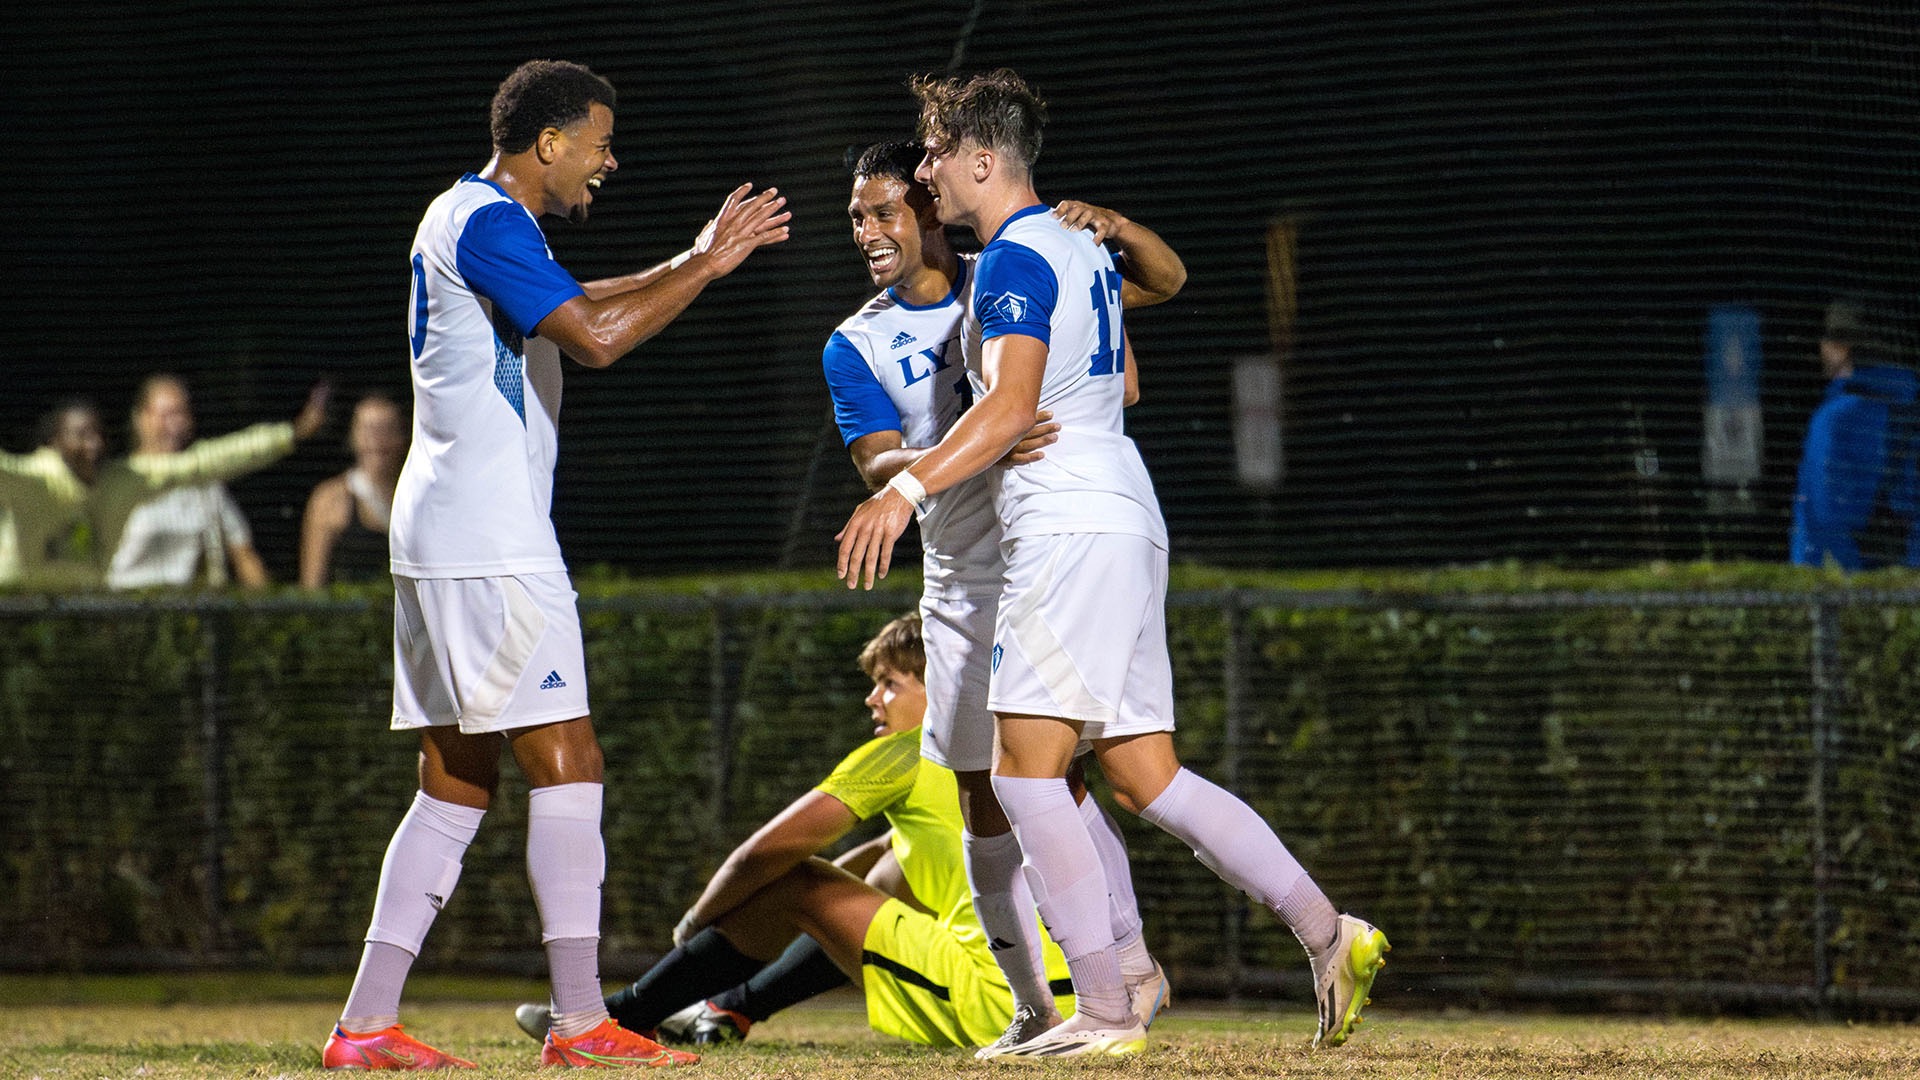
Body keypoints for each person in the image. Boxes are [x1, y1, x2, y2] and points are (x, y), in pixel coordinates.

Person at [835, 69, 1388, 1058]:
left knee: (1026, 775)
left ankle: (1102, 1004)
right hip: (1128, 510)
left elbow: (1007, 411)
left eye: (932, 157)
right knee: (1146, 773)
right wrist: (1121, 229)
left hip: (1065, 524)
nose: (925, 176)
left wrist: (903, 492)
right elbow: (1163, 284)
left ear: (981, 161)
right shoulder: (1073, 247)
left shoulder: (1011, 259)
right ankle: (1326, 931)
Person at [321, 59, 789, 1072]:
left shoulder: (475, 218)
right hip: (490, 539)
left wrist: (693, 253)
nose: (608, 162)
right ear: (548, 144)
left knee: (454, 782)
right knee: (570, 764)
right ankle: (581, 1023)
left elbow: (576, 299)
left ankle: (364, 1024)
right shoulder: (490, 222)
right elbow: (596, 339)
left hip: (441, 530)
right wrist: (707, 270)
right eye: (599, 143)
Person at [821, 139, 1186, 1056]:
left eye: (883, 211)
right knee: (985, 802)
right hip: (958, 581)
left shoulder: (1011, 270)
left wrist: (1112, 225)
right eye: (857, 216)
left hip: (1047, 553)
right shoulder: (854, 341)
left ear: (933, 208)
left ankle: (1126, 975)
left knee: (1067, 777)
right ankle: (1032, 1003)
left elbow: (1134, 330)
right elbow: (874, 459)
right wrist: (974, 436)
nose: (866, 231)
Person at [513, 613, 1079, 1050]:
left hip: (999, 1004)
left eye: (889, 683)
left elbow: (765, 853)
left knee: (797, 881)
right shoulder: (1015, 748)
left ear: (939, 689)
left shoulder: (907, 755)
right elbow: (884, 855)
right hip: (1076, 997)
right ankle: (727, 1011)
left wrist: (694, 926)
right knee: (888, 869)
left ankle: (627, 1014)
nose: (872, 698)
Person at [1, 388, 328, 589]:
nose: (94, 445)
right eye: (81, 435)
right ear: (55, 441)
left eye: (98, 434)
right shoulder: (28, 479)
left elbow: (205, 463)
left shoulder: (123, 480)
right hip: (17, 615)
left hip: (84, 620)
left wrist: (288, 435)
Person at [1790, 297, 1920, 570]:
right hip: (1905, 584)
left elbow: (1824, 519)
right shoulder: (1910, 408)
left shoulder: (1833, 419)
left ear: (1841, 348)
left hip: (1845, 588)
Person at [107, 374, 270, 590]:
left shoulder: (205, 484)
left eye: (181, 414)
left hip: (188, 611)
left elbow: (244, 554)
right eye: (166, 415)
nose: (175, 424)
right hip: (122, 608)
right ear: (141, 419)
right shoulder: (116, 483)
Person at [301, 393, 407, 589]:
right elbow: (311, 586)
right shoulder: (329, 499)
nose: (376, 441)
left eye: (385, 430)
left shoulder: (416, 499)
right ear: (353, 437)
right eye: (368, 430)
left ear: (401, 437)